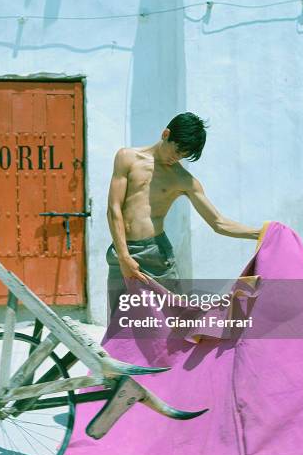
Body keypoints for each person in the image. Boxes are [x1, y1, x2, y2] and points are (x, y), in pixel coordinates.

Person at [106, 112, 260, 317]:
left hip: (156, 256)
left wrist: (260, 233)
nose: (177, 158)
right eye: (177, 150)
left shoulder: (183, 179)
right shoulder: (127, 158)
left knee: (171, 324)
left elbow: (218, 223)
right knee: (120, 324)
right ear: (166, 134)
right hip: (122, 250)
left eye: (183, 155)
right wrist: (124, 257)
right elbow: (113, 208)